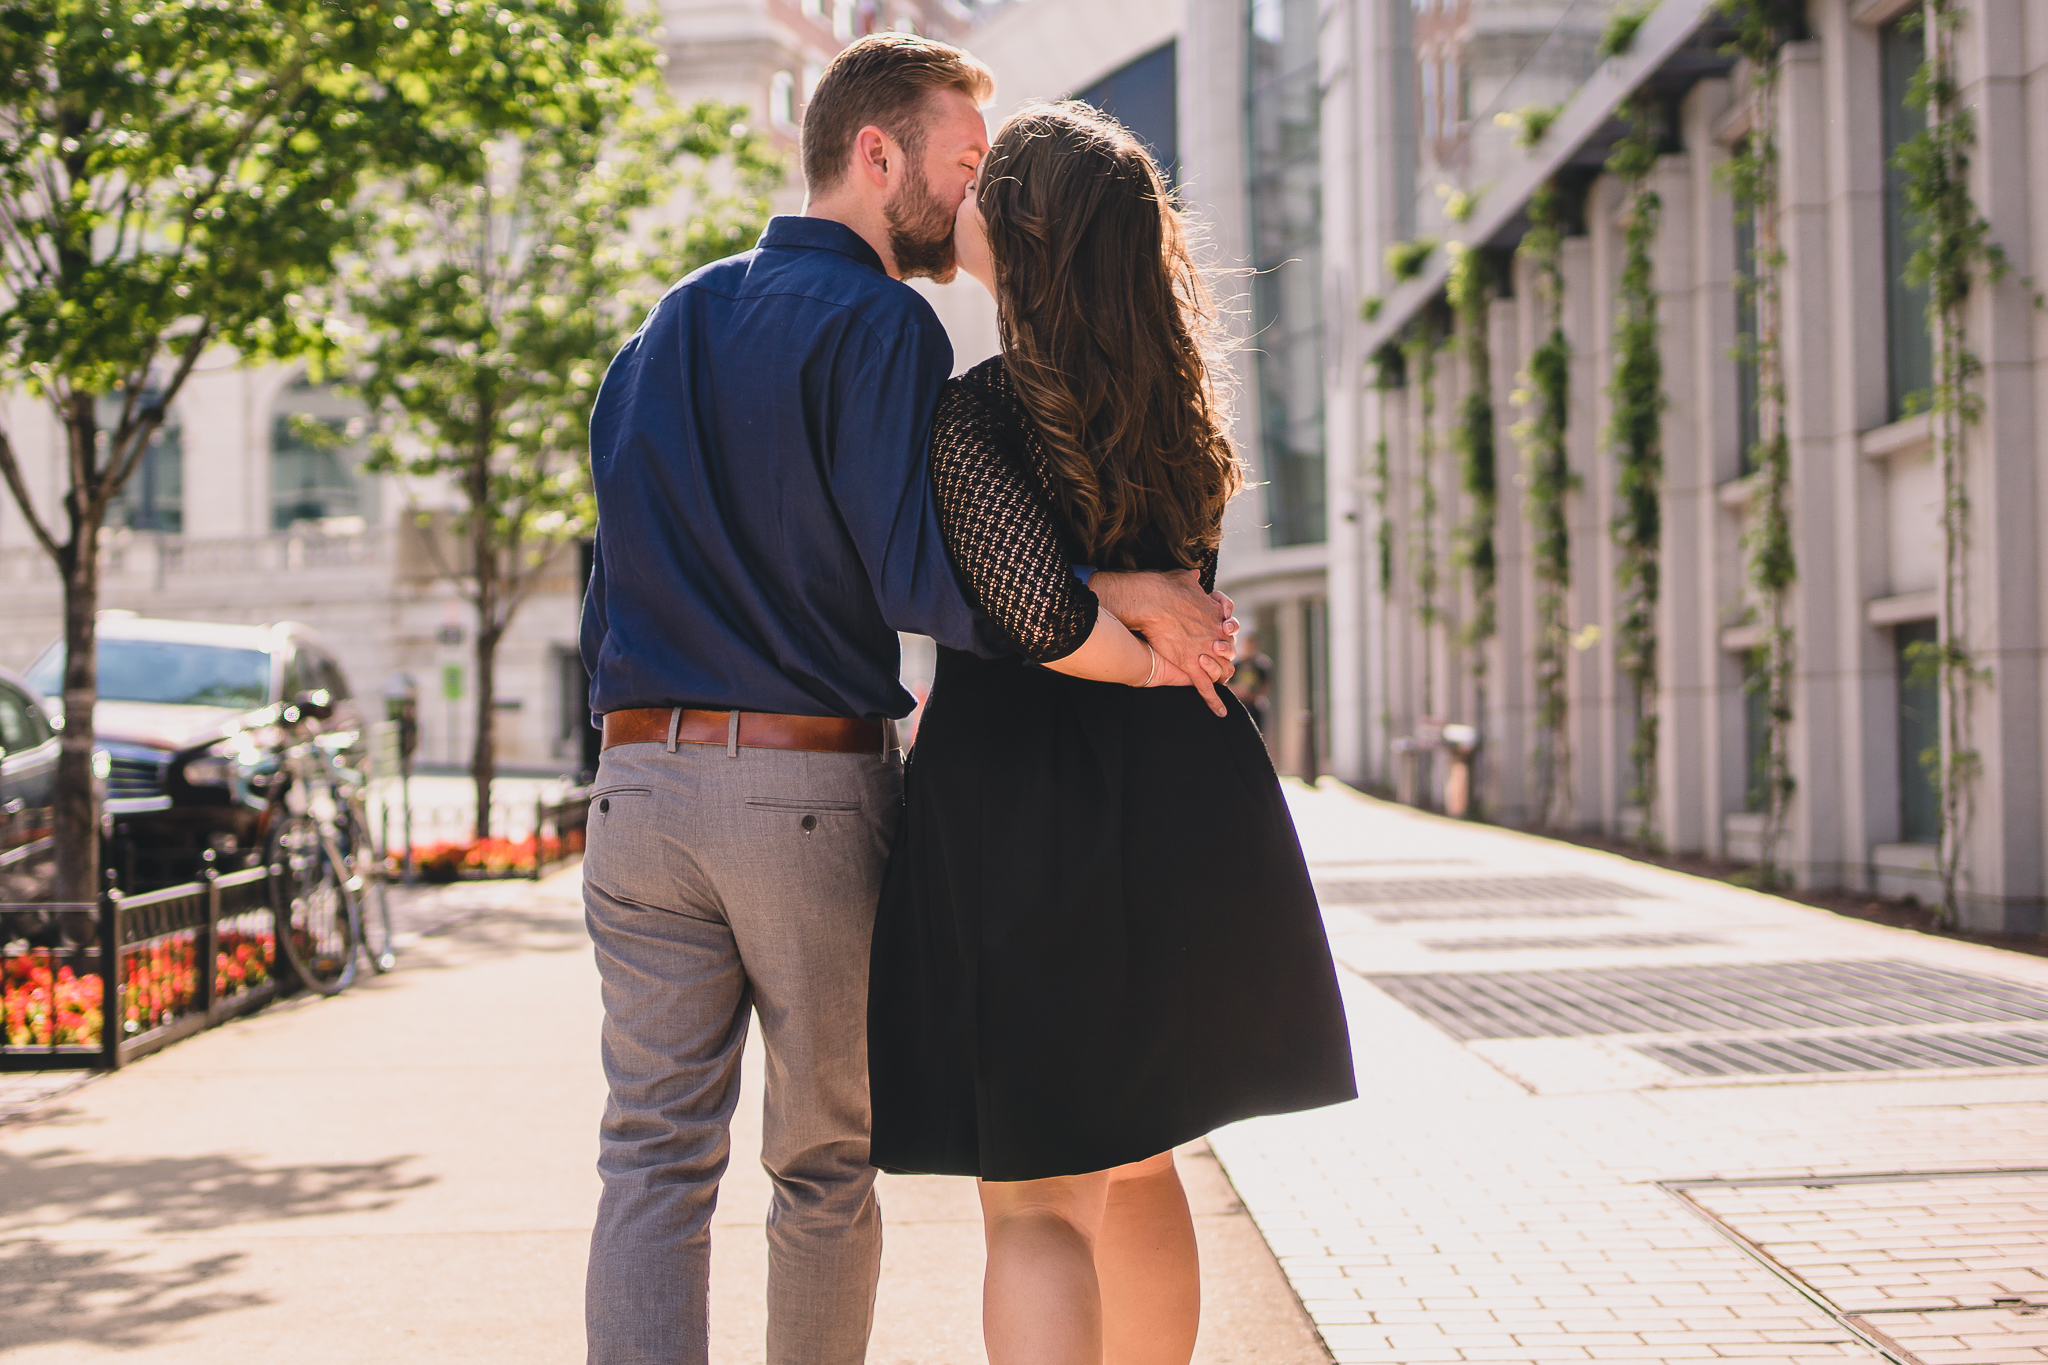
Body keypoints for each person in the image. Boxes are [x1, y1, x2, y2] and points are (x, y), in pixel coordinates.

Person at [576, 36, 1236, 1365]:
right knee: (821, 1165)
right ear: (875, 153)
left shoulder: (671, 315)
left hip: (634, 787)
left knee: (650, 1163)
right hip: (800, 789)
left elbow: (616, 560)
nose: (972, 189)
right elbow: (938, 579)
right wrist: (1127, 602)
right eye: (963, 158)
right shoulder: (882, 324)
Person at [867, 103, 1357, 1365]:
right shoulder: (1183, 409)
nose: (961, 191)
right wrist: (1135, 599)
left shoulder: (976, 416)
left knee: (1036, 1199)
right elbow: (1125, 581)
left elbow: (1028, 615)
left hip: (1032, 803)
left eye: (986, 181)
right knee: (1143, 1164)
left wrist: (1112, 618)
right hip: (1183, 795)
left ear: (1023, 237)